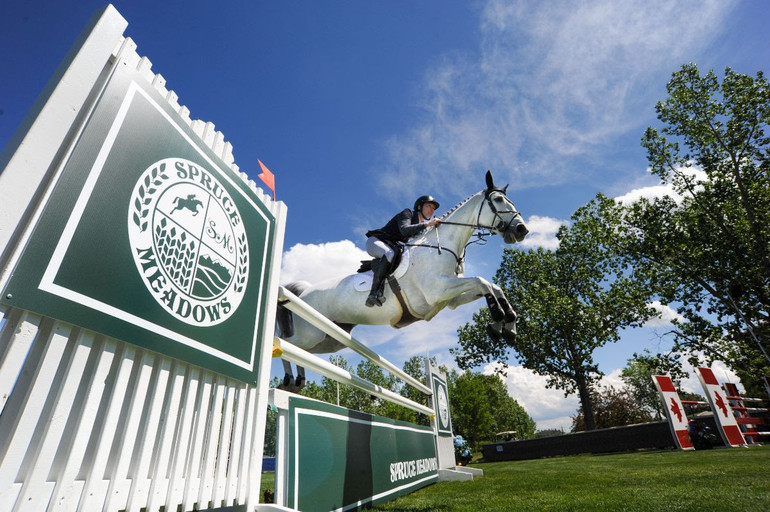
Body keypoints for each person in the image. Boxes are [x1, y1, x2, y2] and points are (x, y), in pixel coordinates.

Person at [364, 195, 442, 307]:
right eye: (429, 206)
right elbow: (404, 230)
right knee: (389, 253)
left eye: (433, 208)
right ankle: (373, 293)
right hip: (375, 242)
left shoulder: (420, 228)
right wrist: (428, 224)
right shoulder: (408, 213)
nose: (432, 210)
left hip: (392, 247)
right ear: (419, 206)